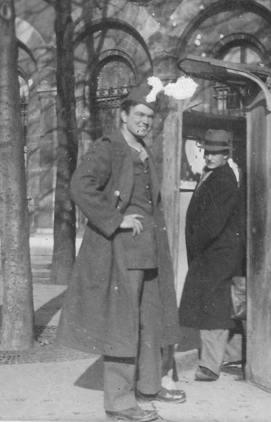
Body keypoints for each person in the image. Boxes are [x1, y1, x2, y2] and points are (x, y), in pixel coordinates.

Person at [57, 82, 185, 422]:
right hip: (122, 252)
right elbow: (80, 186)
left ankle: (148, 386)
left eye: (150, 117)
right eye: (139, 115)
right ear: (124, 115)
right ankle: (119, 404)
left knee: (150, 322)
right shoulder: (109, 147)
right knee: (122, 326)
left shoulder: (142, 149)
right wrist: (116, 220)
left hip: (150, 252)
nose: (145, 122)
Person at [178, 129, 245, 382]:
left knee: (212, 308)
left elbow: (213, 223)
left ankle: (209, 365)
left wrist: (196, 242)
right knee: (219, 305)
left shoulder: (224, 179)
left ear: (226, 155)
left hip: (218, 253)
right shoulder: (213, 174)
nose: (209, 156)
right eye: (207, 151)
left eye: (216, 153)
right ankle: (234, 354)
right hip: (214, 253)